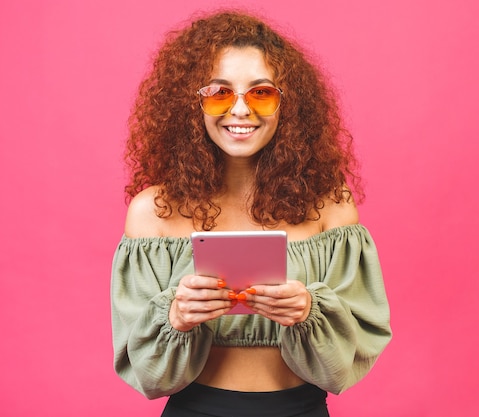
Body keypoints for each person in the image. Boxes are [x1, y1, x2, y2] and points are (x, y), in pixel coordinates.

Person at [111, 10, 392, 417]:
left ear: (287, 104)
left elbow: (348, 362)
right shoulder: (152, 213)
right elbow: (149, 376)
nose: (241, 110)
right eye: (219, 92)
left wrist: (308, 311)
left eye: (261, 92)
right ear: (192, 105)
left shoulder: (331, 205)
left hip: (302, 408)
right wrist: (176, 317)